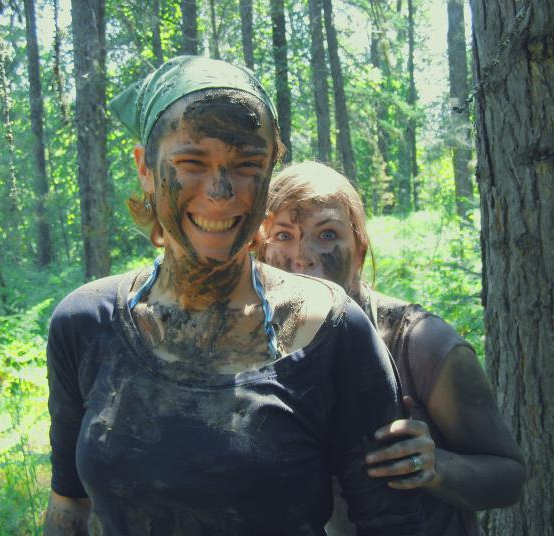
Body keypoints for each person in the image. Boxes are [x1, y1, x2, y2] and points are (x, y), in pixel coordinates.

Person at [44, 57, 424, 535]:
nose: (221, 192)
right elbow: (69, 505)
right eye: (191, 163)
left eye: (247, 165)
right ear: (145, 168)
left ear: (269, 172)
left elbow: (392, 523)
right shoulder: (85, 324)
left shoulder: (329, 330)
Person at [258, 161, 526, 536]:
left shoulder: (421, 343)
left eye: (328, 234)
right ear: (259, 252)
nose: (302, 255)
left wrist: (434, 466)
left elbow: (510, 478)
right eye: (283, 235)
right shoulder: (250, 353)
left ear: (360, 250)